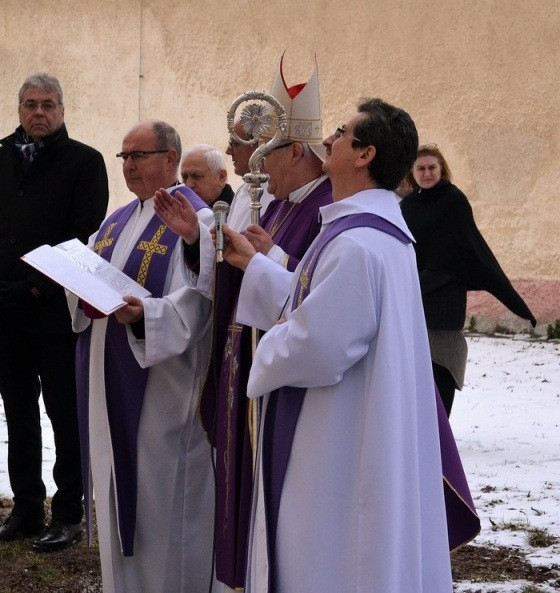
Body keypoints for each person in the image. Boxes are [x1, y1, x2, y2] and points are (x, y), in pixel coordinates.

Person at [223, 99, 477, 592]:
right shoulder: (371, 234)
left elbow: (318, 345)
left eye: (341, 132)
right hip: (355, 423)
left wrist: (263, 356)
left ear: (365, 155)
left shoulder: (357, 243)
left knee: (332, 557)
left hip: (335, 439)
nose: (327, 140)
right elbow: (313, 301)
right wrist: (255, 265)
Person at [155, 58, 333, 591]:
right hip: (242, 364)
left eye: (263, 151)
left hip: (284, 378)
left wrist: (266, 258)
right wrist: (197, 241)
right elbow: (231, 281)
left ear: (295, 151)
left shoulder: (326, 209)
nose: (252, 164)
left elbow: (316, 295)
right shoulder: (271, 202)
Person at [69, 120, 215, 593]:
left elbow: (201, 301)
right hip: (108, 378)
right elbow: (92, 282)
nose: (129, 165)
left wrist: (145, 316)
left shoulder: (197, 220)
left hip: (163, 390)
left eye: (139, 155)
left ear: (170, 158)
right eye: (124, 156)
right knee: (116, 486)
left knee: (161, 501)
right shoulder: (116, 221)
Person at [0, 73, 109, 550]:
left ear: (63, 111)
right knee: (18, 415)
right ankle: (26, 508)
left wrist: (34, 287)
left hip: (53, 312)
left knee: (64, 415)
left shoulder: (84, 162)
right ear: (19, 110)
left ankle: (68, 513)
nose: (39, 113)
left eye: (48, 105)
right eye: (30, 104)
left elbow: (83, 236)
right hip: (3, 312)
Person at [400, 144, 535, 415]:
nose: (427, 173)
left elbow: (459, 250)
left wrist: (420, 283)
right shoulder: (408, 205)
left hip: (445, 296)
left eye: (432, 167)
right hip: (414, 296)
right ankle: (422, 428)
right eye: (421, 168)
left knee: (443, 365)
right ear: (412, 173)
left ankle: (442, 428)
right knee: (416, 371)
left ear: (442, 169)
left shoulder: (454, 200)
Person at [225, 120, 273, 231]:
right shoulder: (242, 189)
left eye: (234, 144)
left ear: (258, 146)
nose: (228, 151)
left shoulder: (276, 193)